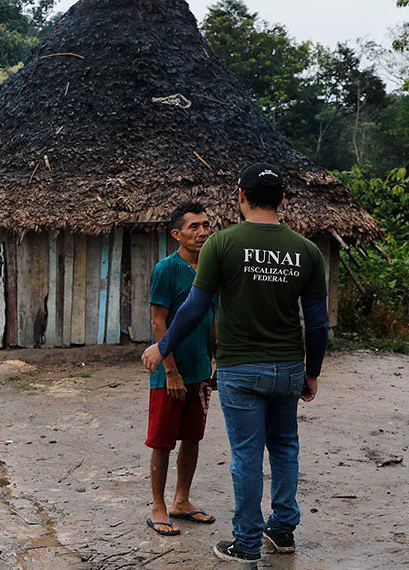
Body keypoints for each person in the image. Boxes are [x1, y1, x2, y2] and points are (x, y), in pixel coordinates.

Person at [141, 163, 329, 563]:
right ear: (282, 200)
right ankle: (282, 531)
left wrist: (163, 347)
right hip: (289, 366)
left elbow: (194, 307)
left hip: (241, 368)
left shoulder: (222, 245)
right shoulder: (307, 251)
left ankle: (246, 542)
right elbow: (316, 322)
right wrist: (312, 371)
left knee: (247, 454)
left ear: (240, 197)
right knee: (285, 447)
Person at [145, 201, 217, 537]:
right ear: (177, 234)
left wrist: (216, 363)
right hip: (170, 375)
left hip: (201, 369)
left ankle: (182, 500)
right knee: (162, 441)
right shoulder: (166, 269)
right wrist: (171, 371)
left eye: (206, 225)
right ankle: (158, 506)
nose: (203, 232)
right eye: (194, 227)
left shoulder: (211, 269)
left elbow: (215, 320)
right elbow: (158, 323)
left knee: (192, 437)